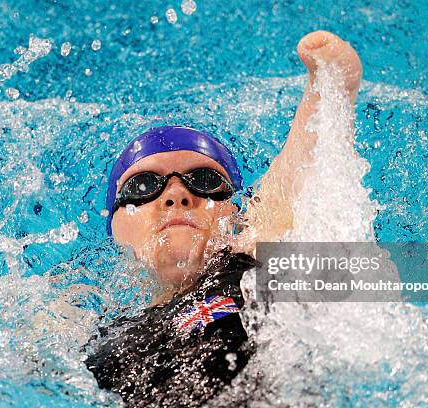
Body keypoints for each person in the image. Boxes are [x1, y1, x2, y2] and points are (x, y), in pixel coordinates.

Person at [84, 30, 362, 406]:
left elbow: (291, 182)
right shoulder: (98, 336)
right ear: (114, 226)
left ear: (236, 217)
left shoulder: (244, 269)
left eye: (204, 181)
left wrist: (329, 89)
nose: (177, 195)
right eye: (143, 186)